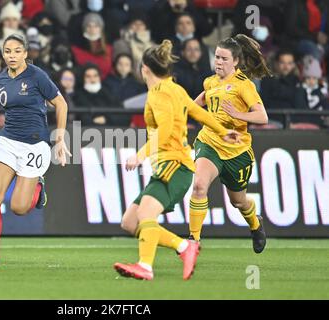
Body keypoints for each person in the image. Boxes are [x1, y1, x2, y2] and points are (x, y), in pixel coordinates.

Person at [113, 40, 240, 281]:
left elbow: (165, 128)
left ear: (145, 69)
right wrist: (222, 129)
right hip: (174, 166)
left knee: (146, 216)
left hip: (173, 164)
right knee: (130, 222)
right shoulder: (174, 88)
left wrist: (139, 155)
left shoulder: (158, 95)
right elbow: (199, 112)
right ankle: (184, 247)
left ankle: (145, 266)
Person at [0, 34, 71, 268]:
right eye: (8, 51)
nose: (12, 55)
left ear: (26, 53)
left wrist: (60, 136)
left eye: (17, 51)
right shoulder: (0, 81)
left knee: (19, 208)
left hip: (34, 145)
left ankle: (38, 185)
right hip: (8, 143)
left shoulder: (37, 76)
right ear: (3, 54)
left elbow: (61, 103)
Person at [188, 35, 270, 254]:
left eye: (224, 58)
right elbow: (199, 103)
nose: (218, 62)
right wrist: (184, 111)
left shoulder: (244, 85)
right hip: (210, 142)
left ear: (235, 61)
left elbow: (263, 117)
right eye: (216, 57)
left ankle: (255, 223)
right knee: (198, 186)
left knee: (238, 202)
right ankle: (193, 242)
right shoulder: (210, 82)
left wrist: (238, 114)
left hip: (237, 151)